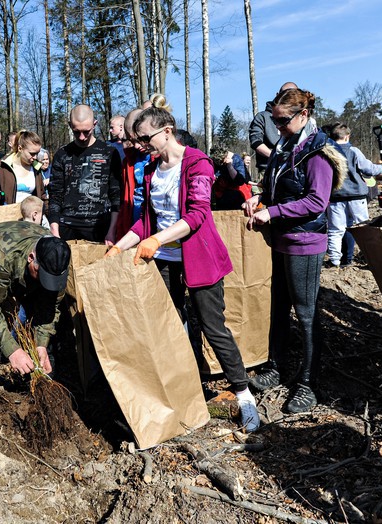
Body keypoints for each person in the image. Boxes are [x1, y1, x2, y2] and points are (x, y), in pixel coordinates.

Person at [106, 96, 260, 433]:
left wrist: (157, 239)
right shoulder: (150, 170)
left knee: (212, 326)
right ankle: (186, 390)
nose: (140, 145)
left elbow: (197, 214)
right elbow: (147, 221)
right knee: (172, 326)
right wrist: (119, 247)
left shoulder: (197, 164)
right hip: (165, 262)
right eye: (136, 139)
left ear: (166, 132)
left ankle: (244, 395)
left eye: (144, 138)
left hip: (200, 259)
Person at [243, 88, 347, 413]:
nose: (278, 128)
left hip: (305, 243)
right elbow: (278, 189)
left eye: (283, 121)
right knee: (278, 308)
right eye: (274, 121)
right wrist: (258, 198)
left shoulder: (319, 151)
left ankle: (308, 383)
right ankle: (276, 368)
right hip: (279, 241)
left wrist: (271, 213)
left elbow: (317, 200)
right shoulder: (283, 146)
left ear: (303, 115)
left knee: (306, 314)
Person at [0, 221, 71, 375]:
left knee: (34, 320)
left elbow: (49, 308)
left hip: (21, 267)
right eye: (43, 275)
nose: (47, 283)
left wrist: (41, 344)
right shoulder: (0, 256)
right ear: (31, 257)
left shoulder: (58, 260)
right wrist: (12, 350)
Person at [48, 104, 121, 243]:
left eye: (86, 131)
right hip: (66, 227)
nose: (81, 137)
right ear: (70, 125)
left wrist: (112, 230)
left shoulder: (109, 152)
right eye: (76, 131)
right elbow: (55, 194)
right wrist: (54, 228)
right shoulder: (62, 154)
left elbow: (116, 194)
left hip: (99, 228)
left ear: (95, 124)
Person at [325, 123, 382, 268]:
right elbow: (368, 169)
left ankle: (334, 260)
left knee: (335, 230)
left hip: (335, 197)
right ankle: (371, 257)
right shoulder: (353, 151)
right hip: (356, 197)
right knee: (363, 227)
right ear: (347, 136)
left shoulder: (326, 152)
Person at [115, 108, 152, 239]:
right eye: (131, 141)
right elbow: (125, 201)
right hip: (133, 227)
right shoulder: (129, 161)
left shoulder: (161, 159)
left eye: (139, 139)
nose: (136, 146)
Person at [0, 130, 47, 206]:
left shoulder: (36, 167)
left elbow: (42, 196)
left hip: (31, 215)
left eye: (37, 153)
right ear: (20, 149)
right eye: (32, 154)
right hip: (8, 215)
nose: (35, 157)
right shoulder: (2, 165)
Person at [249, 82, 298, 177]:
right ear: (277, 95)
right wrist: (276, 156)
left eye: (293, 95)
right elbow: (256, 142)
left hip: (294, 169)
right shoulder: (262, 117)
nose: (288, 98)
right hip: (268, 169)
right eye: (285, 94)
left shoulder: (299, 118)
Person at [210, 146, 253, 210]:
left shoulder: (237, 160)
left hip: (236, 194)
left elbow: (240, 181)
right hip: (220, 194)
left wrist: (229, 166)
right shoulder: (213, 160)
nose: (221, 164)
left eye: (222, 162)